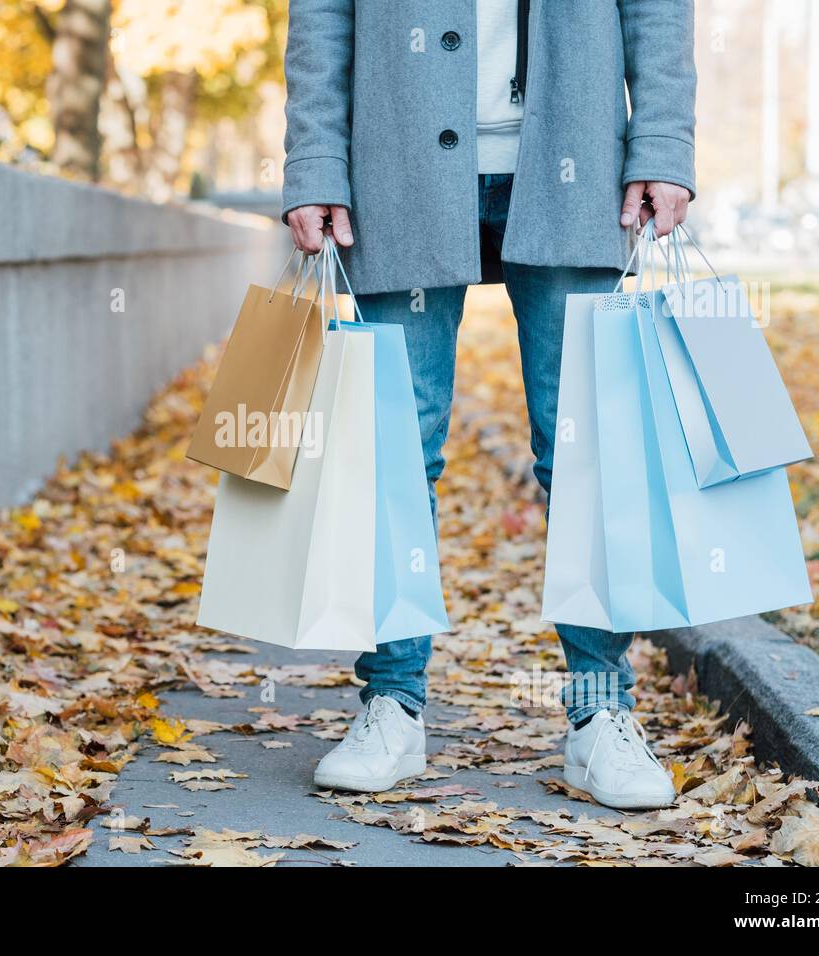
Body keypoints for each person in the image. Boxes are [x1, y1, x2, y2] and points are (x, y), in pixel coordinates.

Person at [281, 0, 697, 809]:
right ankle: (391, 705)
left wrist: (663, 143)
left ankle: (599, 712)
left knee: (588, 451)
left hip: (578, 160)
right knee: (393, 448)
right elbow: (323, 13)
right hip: (394, 160)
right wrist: (314, 162)